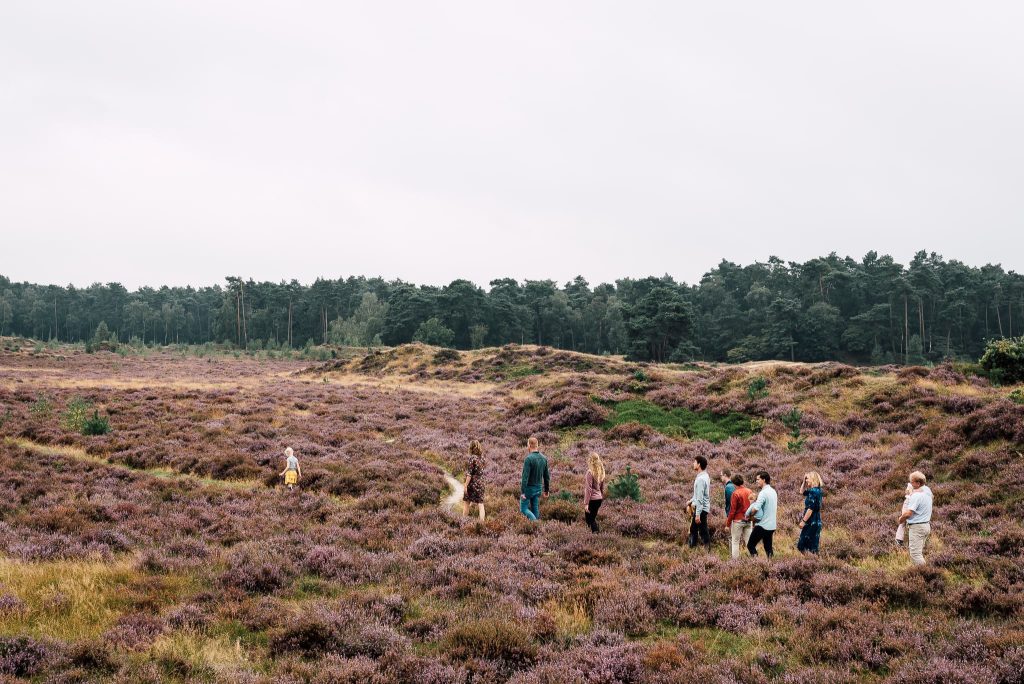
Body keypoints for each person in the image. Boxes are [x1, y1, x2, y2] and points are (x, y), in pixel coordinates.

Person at [897, 471, 933, 565]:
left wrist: (901, 519)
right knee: (919, 553)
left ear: (918, 483)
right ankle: (924, 573)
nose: (910, 484)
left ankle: (925, 573)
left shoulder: (916, 496)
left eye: (912, 482)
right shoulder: (927, 490)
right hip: (926, 526)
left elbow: (908, 513)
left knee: (915, 555)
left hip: (917, 528)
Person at [746, 471, 777, 558]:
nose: (756, 481)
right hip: (772, 525)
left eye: (758, 479)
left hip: (762, 525)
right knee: (768, 548)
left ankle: (757, 564)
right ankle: (770, 566)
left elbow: (755, 508)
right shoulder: (773, 491)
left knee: (750, 545)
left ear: (763, 480)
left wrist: (750, 516)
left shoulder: (763, 493)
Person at [723, 474, 753, 559]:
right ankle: (754, 560)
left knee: (735, 542)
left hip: (738, 521)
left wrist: (727, 524)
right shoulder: (749, 491)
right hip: (748, 520)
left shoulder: (735, 493)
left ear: (733, 483)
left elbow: (732, 511)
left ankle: (735, 563)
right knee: (749, 542)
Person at [520, 436, 550, 521]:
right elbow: (546, 476)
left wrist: (523, 492)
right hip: (538, 488)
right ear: (537, 445)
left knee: (523, 509)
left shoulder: (528, 459)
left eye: (527, 445)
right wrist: (546, 490)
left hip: (529, 489)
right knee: (535, 507)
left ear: (529, 445)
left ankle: (535, 524)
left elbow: (525, 477)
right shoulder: (544, 458)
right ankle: (537, 528)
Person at [797, 472, 824, 555]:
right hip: (817, 521)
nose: (806, 480)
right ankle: (812, 562)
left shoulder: (813, 492)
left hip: (811, 521)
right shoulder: (817, 490)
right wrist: (804, 482)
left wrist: (803, 521)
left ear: (813, 479)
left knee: (803, 545)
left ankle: (809, 563)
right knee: (813, 546)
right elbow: (801, 492)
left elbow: (810, 509)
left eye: (807, 478)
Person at [688, 455, 711, 550]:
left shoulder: (701, 479)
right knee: (700, 530)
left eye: (694, 462)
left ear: (699, 464)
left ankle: (694, 549)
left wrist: (697, 514)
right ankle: (703, 549)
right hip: (702, 508)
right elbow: (697, 495)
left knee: (698, 530)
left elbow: (700, 498)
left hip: (701, 509)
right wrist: (690, 500)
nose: (693, 464)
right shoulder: (705, 476)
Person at [582, 452, 606, 533]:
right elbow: (602, 487)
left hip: (592, 500)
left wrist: (586, 503)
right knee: (592, 519)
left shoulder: (590, 472)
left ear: (590, 460)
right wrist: (601, 497)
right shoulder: (601, 471)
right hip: (598, 499)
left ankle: (596, 535)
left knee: (590, 520)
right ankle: (593, 536)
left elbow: (588, 489)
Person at [463, 440, 486, 522]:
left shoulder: (472, 458)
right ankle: (482, 522)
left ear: (471, 448)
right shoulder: (482, 458)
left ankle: (463, 521)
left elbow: (469, 474)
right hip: (481, 483)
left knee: (466, 502)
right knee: (480, 504)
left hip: (472, 483)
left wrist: (465, 485)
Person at [894, 482, 913, 547]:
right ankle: (899, 540)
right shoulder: (912, 485)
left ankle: (901, 540)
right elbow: (907, 492)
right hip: (909, 502)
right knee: (903, 522)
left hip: (912, 502)